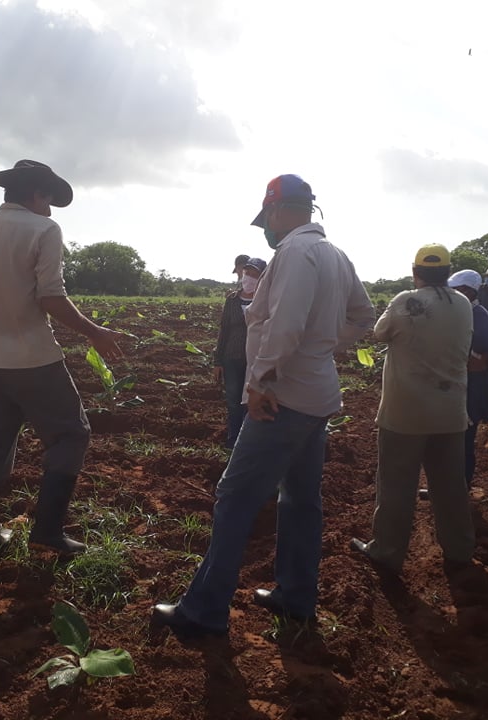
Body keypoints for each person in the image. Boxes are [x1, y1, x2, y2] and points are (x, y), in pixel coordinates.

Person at [152, 174, 375, 638]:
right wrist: (324, 345)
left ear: (276, 210)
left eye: (267, 219)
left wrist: (259, 382)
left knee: (234, 499)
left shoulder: (293, 253)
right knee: (300, 501)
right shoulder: (336, 255)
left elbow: (285, 325)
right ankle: (295, 597)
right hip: (317, 397)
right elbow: (364, 318)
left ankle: (203, 612)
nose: (267, 229)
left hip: (282, 397)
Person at [0, 159, 125, 562]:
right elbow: (50, 297)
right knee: (71, 433)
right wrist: (95, 333)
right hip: (33, 358)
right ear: (38, 195)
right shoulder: (44, 229)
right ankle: (48, 530)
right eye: (49, 200)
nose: (50, 210)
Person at [350, 244, 475, 575]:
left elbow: (379, 334)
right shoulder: (463, 304)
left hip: (405, 412)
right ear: (448, 272)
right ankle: (460, 549)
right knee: (450, 485)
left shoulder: (406, 300)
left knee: (396, 485)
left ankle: (387, 551)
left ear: (415, 271)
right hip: (450, 411)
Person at [447, 270, 488, 488]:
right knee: (452, 442)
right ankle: (450, 487)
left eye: (455, 291)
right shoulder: (466, 312)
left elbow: (483, 356)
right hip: (462, 386)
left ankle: (461, 488)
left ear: (467, 291)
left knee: (464, 442)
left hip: (471, 389)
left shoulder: (478, 315)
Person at [213, 257, 267, 448]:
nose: (249, 278)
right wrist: (218, 361)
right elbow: (224, 330)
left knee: (250, 402)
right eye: (247, 273)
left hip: (254, 361)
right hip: (231, 358)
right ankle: (232, 440)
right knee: (233, 401)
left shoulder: (266, 302)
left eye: (255, 274)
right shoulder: (232, 301)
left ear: (263, 278)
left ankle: (247, 442)